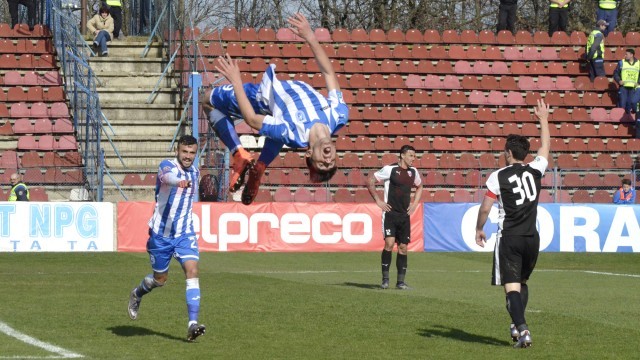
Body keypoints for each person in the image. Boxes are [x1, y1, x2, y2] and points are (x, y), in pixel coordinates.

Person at [201, 13, 348, 205]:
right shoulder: (339, 115)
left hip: (260, 99)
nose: (328, 160)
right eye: (332, 163)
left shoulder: (292, 131)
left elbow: (252, 119)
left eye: (321, 163)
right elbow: (328, 72)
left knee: (207, 101)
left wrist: (236, 81)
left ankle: (238, 153)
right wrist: (310, 37)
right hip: (276, 115)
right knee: (277, 133)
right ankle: (260, 165)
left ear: (309, 154)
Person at [475, 99, 550, 349]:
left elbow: (486, 206)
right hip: (532, 238)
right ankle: (516, 325)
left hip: (509, 238)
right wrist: (543, 120)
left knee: (511, 288)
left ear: (508, 153)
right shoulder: (536, 169)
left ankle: (523, 329)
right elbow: (545, 148)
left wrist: (479, 228)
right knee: (523, 283)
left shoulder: (499, 176)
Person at [127, 135, 206, 342]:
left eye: (192, 153)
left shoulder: (196, 172)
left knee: (193, 271)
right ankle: (137, 293)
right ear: (177, 151)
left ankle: (192, 324)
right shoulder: (167, 166)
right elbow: (167, 178)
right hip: (160, 236)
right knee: (160, 280)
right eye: (184, 152)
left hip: (184, 233)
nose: (188, 156)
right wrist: (179, 182)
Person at [367, 145, 423, 290]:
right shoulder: (390, 169)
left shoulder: (413, 172)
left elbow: (420, 186)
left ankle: (400, 282)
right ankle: (385, 280)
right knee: (389, 244)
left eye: (414, 156)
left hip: (404, 215)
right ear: (402, 155)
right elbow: (370, 180)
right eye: (411, 155)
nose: (413, 159)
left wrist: (415, 203)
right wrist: (378, 201)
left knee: (403, 247)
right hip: (390, 213)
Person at [613, 49, 640, 114]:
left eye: (626, 54)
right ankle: (620, 122)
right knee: (622, 105)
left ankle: (629, 122)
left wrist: (638, 82)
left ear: (631, 55)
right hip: (623, 87)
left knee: (630, 105)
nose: (625, 56)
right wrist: (619, 80)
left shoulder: (639, 63)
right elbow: (615, 73)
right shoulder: (621, 62)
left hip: (633, 88)